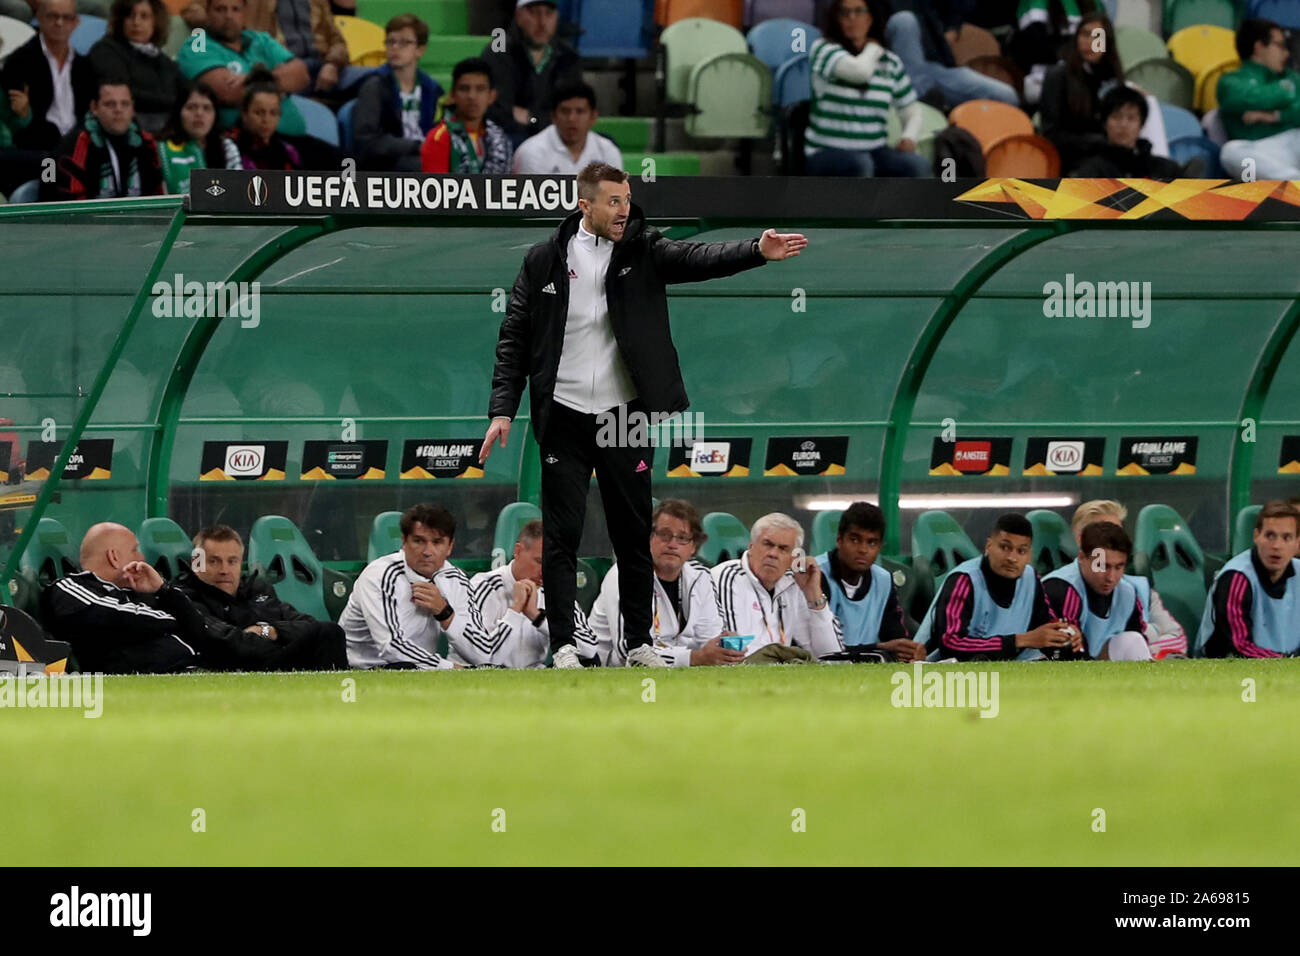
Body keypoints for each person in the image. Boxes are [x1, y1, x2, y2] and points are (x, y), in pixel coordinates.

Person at [479, 161, 807, 669]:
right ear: (583, 205)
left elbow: (698, 258)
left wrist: (755, 252)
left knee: (632, 535)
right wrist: (502, 410)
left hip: (622, 416)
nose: (623, 209)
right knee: (561, 537)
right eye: (613, 201)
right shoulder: (543, 259)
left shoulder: (643, 248)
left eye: (627, 199)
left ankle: (638, 645)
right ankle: (564, 645)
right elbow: (514, 338)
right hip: (563, 416)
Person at [173, 523, 348, 670]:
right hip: (236, 667)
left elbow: (308, 624)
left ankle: (338, 703)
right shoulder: (186, 596)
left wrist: (271, 631)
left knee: (329, 632)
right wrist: (278, 640)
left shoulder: (256, 589)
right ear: (196, 564)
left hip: (274, 660)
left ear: (241, 563)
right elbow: (225, 642)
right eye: (213, 561)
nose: (224, 570)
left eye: (232, 561)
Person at [40, 522, 203, 673]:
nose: (142, 558)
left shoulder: (135, 592)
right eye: (135, 550)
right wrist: (180, 620)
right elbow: (121, 616)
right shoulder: (70, 587)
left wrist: (163, 590)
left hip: (190, 672)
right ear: (114, 557)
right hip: (138, 684)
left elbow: (198, 624)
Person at [914, 512, 1077, 661]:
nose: (1012, 558)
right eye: (1005, 547)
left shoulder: (1031, 579)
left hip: (1007, 668)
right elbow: (951, 644)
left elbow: (1046, 625)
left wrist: (1066, 634)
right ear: (989, 546)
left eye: (1021, 551)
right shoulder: (964, 579)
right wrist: (1021, 640)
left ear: (1029, 555)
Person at [590, 499, 733, 667]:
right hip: (610, 672)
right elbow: (628, 652)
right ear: (648, 538)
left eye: (682, 538)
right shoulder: (625, 574)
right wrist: (693, 658)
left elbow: (710, 638)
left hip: (673, 668)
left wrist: (720, 651)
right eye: (664, 535)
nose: (672, 544)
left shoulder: (700, 576)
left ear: (693, 546)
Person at [338, 503, 471, 670]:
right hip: (364, 671)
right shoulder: (379, 575)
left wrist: (445, 613)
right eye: (418, 541)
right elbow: (391, 647)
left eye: (437, 542)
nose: (427, 551)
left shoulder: (455, 579)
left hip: (421, 672)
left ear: (450, 546)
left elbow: (478, 649)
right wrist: (451, 668)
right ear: (404, 542)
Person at [807, 0, 932, 178]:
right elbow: (860, 72)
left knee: (917, 166)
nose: (852, 18)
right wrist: (874, 47)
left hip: (875, 149)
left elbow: (910, 109)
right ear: (837, 19)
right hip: (827, 151)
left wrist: (909, 137)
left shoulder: (890, 62)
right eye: (845, 13)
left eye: (859, 11)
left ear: (870, 18)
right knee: (860, 165)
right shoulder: (824, 49)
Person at [466, 520, 601, 667]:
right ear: (518, 551)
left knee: (590, 662)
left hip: (536, 674)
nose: (545, 571)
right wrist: (516, 610)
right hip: (490, 675)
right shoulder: (484, 586)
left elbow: (590, 648)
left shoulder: (555, 591)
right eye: (539, 561)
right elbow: (482, 657)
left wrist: (537, 617)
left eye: (551, 563)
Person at [711, 513, 843, 662]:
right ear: (751, 546)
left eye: (783, 549)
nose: (773, 554)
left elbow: (833, 656)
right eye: (767, 544)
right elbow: (736, 655)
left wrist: (813, 595)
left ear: (794, 557)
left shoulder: (794, 583)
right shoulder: (727, 577)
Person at [1070, 499, 1186, 657]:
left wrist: (1137, 648)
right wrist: (1152, 632)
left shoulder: (1140, 588)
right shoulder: (1062, 586)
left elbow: (1178, 639)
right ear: (1081, 539)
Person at [176, 0, 309, 137]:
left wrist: (254, 79)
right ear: (208, 14)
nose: (228, 15)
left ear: (244, 14)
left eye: (235, 9)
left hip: (295, 139)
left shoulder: (261, 39)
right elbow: (227, 92)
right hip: (241, 141)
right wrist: (280, 85)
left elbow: (301, 74)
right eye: (220, 9)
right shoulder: (197, 44)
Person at [814, 501, 921, 660]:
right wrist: (876, 648)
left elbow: (895, 638)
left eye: (872, 542)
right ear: (839, 540)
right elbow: (820, 649)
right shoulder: (815, 575)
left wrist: (909, 651)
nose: (863, 550)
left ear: (880, 547)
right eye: (855, 540)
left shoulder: (884, 580)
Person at [1197, 500, 1300, 657]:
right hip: (1226, 671)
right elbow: (1240, 646)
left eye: (1286, 538)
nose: (1277, 546)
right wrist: (1287, 663)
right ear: (1256, 536)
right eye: (1270, 536)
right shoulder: (1236, 577)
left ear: (1297, 543)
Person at [1042, 521, 1150, 660]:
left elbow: (1139, 640)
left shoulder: (1128, 593)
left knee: (1133, 640)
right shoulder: (1061, 588)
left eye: (1118, 567)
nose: (1111, 577)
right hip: (1050, 668)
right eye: (1102, 566)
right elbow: (1069, 654)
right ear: (1081, 557)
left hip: (1097, 665)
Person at [883, 0, 1020, 109]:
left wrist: (953, 27)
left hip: (936, 68)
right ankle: (919, 101)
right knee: (905, 21)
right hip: (896, 72)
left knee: (1006, 96)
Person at [0, 0, 98, 152]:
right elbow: (18, 125)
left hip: (80, 143)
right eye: (53, 16)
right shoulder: (18, 63)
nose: (59, 23)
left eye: (66, 18)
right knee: (50, 170)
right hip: (41, 147)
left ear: (76, 22)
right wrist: (25, 114)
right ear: (39, 18)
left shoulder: (84, 65)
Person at [481, 0, 581, 148]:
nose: (542, 22)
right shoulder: (498, 52)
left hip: (557, 135)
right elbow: (498, 110)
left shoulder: (568, 57)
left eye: (548, 13)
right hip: (512, 136)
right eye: (534, 13)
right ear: (518, 15)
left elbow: (572, 110)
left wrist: (531, 118)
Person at [44, 77, 166, 198]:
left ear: (133, 108)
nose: (118, 110)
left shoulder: (146, 143)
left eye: (125, 104)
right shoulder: (74, 145)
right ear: (94, 108)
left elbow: (159, 195)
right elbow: (69, 206)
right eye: (110, 104)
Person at [353, 13, 444, 172]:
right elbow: (367, 140)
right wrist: (416, 146)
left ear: (420, 50)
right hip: (388, 163)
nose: (395, 47)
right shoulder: (374, 86)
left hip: (424, 156)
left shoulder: (432, 89)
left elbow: (441, 130)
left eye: (404, 43)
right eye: (391, 42)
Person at [1038, 12, 1123, 174]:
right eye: (1084, 35)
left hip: (1108, 157)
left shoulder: (1114, 77)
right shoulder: (1058, 76)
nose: (1090, 42)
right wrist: (1099, 142)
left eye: (1097, 37)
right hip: (1073, 160)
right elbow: (1051, 134)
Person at [1218, 18, 1300, 182]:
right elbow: (1243, 99)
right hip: (1258, 154)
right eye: (1281, 45)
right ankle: (1295, 185)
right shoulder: (1230, 81)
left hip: (1294, 142)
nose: (1287, 53)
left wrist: (1274, 116)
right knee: (1230, 152)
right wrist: (1285, 93)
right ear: (1259, 47)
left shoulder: (1292, 78)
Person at [87, 0, 187, 134]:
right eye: (130, 16)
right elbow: (123, 94)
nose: (136, 22)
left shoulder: (160, 58)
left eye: (144, 16)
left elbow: (186, 91)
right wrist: (172, 101)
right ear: (121, 20)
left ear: (155, 22)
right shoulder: (106, 50)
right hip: (127, 127)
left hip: (164, 124)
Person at [243, 0, 367, 99]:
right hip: (290, 70)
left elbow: (337, 41)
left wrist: (332, 64)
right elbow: (254, 42)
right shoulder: (257, 5)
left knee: (377, 78)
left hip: (325, 66)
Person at [420, 57, 512, 174]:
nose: (472, 96)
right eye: (464, 89)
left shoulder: (500, 138)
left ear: (491, 96)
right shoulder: (439, 139)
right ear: (452, 95)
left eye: (480, 89)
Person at [1069, 85, 1185, 177]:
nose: (1123, 125)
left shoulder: (1166, 170)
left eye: (1131, 118)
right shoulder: (1090, 172)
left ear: (1141, 124)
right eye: (1116, 117)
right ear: (1104, 123)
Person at [511, 80, 621, 175]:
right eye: (565, 111)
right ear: (553, 116)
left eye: (580, 111)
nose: (572, 118)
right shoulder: (531, 152)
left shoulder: (608, 152)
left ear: (593, 117)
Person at [155, 81, 242, 193]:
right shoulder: (160, 149)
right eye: (191, 107)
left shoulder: (226, 146)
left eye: (207, 108)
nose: (199, 114)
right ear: (178, 112)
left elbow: (238, 190)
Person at [225, 66, 302, 169]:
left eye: (273, 113)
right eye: (259, 112)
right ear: (244, 113)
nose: (266, 119)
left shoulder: (288, 152)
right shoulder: (228, 147)